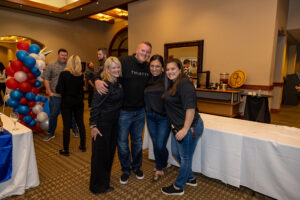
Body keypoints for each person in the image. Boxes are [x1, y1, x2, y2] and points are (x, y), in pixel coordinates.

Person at [95, 42, 152, 184]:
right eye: (143, 51)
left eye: (148, 52)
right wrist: (96, 79)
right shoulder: (124, 61)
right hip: (124, 112)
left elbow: (159, 77)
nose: (145, 54)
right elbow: (106, 68)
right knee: (122, 143)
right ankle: (125, 169)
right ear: (137, 50)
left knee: (137, 142)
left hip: (140, 112)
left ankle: (137, 167)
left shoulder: (148, 66)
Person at [161, 59, 204, 195]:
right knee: (176, 151)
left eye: (173, 69)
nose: (170, 72)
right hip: (178, 126)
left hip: (189, 127)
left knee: (185, 158)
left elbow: (190, 108)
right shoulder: (172, 83)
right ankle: (190, 177)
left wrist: (185, 129)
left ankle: (178, 187)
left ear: (180, 70)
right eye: (167, 69)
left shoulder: (185, 84)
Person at [89, 56, 123, 194]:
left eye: (118, 67)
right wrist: (93, 126)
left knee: (109, 154)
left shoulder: (117, 82)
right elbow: (95, 106)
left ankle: (104, 182)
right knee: (100, 156)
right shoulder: (104, 84)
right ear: (107, 69)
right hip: (102, 125)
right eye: (113, 67)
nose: (116, 69)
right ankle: (97, 186)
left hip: (114, 123)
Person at [42, 49, 78, 141]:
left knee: (72, 114)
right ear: (58, 55)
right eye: (62, 55)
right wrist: (49, 91)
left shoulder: (69, 66)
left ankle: (74, 129)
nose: (64, 57)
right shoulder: (51, 65)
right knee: (53, 114)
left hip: (68, 97)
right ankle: (51, 133)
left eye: (65, 55)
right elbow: (46, 79)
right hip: (55, 96)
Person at [144, 55, 170, 181]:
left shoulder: (167, 79)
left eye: (157, 66)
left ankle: (164, 162)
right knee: (155, 144)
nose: (154, 68)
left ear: (162, 67)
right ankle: (159, 168)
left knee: (160, 145)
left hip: (163, 118)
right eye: (152, 66)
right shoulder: (146, 78)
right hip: (149, 116)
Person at [56, 55, 86, 156]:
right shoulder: (81, 75)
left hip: (67, 102)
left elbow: (58, 89)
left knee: (66, 126)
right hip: (78, 101)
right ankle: (83, 145)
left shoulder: (64, 74)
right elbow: (82, 89)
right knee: (80, 123)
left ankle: (66, 150)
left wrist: (65, 90)